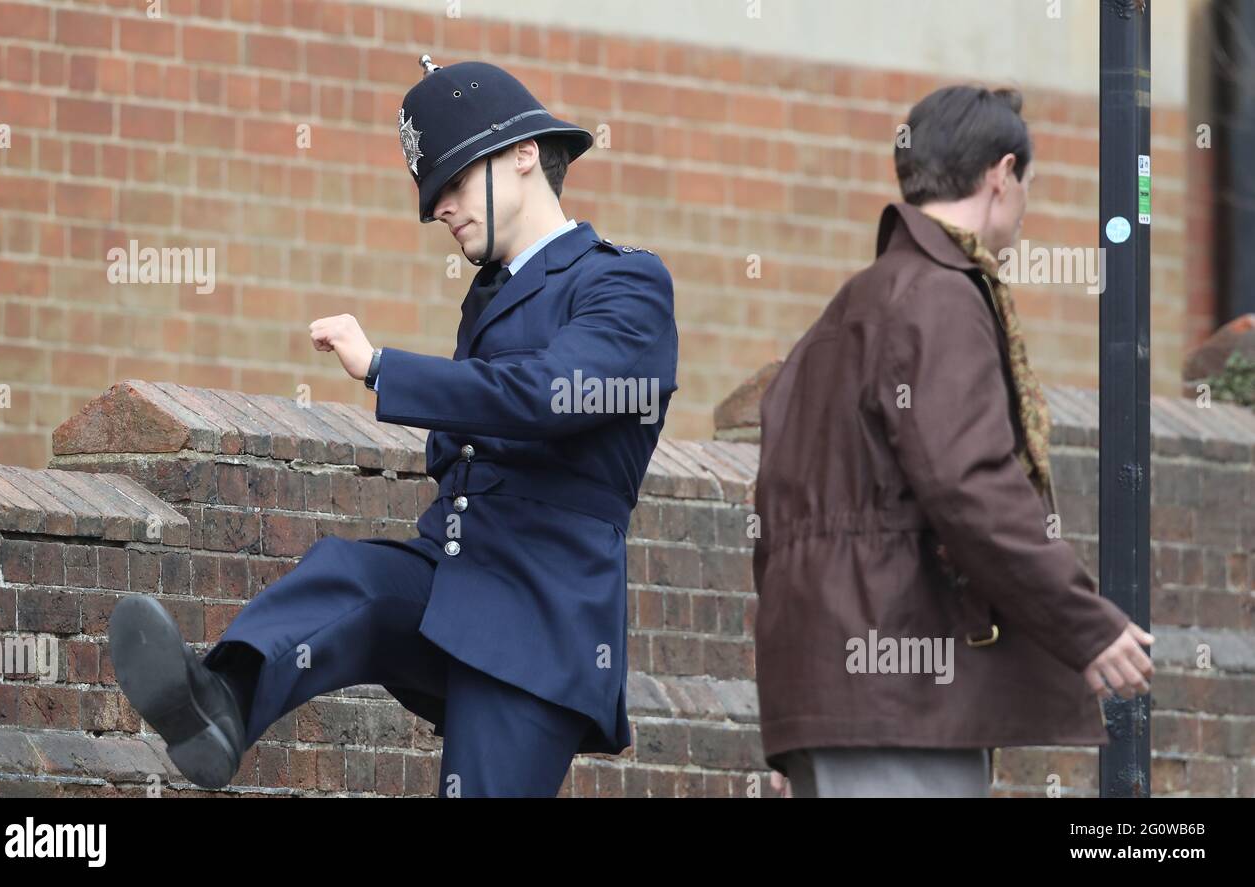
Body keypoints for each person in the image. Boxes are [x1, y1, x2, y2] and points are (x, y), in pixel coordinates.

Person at [110, 55, 679, 798]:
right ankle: (222, 702)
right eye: (432, 191)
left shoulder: (624, 281)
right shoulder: (489, 298)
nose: (441, 206)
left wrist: (382, 367)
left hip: (539, 623)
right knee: (352, 577)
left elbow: (547, 395)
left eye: (453, 180)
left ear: (524, 154)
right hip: (456, 579)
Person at [752, 85, 1154, 798]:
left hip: (836, 696)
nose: (1027, 207)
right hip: (900, 696)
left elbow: (777, 515)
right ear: (1002, 175)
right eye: (1028, 185)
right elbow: (969, 483)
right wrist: (1083, 620)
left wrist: (806, 718)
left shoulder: (846, 312)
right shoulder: (941, 296)